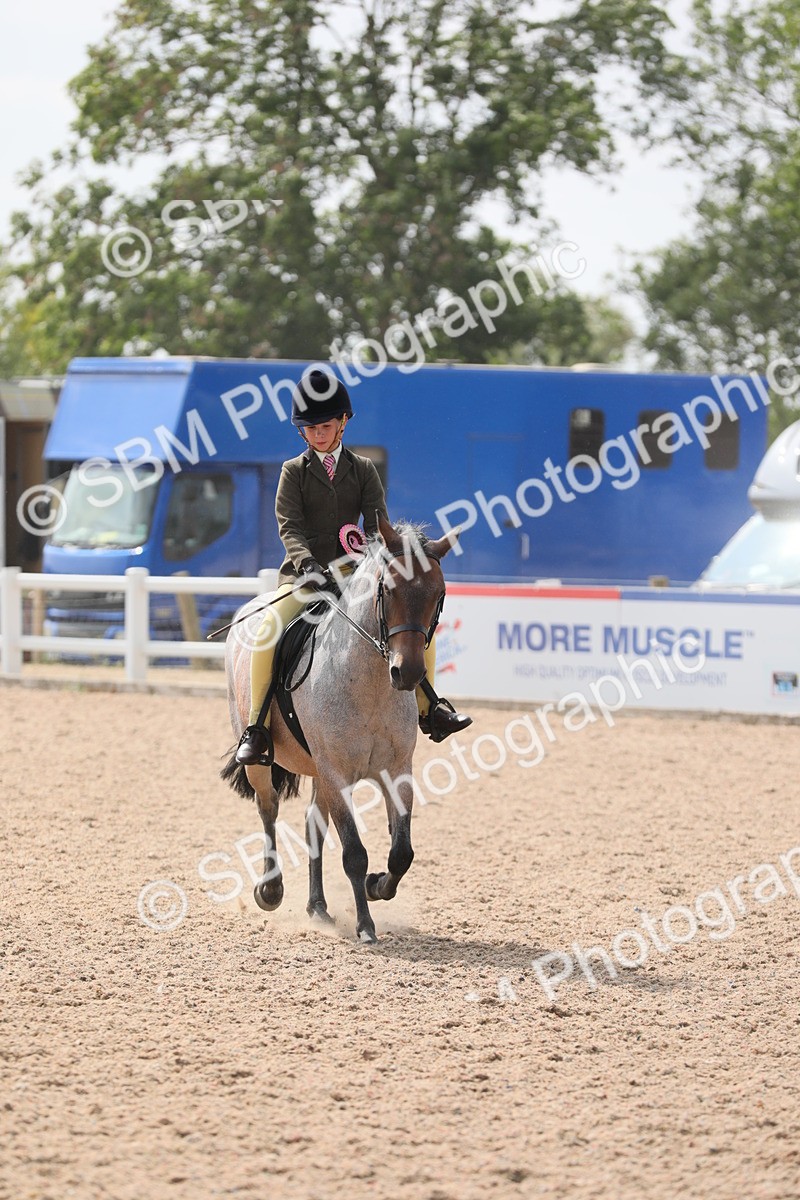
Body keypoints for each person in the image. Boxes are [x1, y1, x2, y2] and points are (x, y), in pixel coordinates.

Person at [235, 368, 472, 766]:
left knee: (411, 624)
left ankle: (430, 707)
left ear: (343, 422)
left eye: (325, 426)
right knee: (270, 629)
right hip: (306, 577)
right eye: (309, 429)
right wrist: (308, 563)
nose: (318, 435)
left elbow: (377, 525)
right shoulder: (293, 472)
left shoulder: (363, 470)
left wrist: (374, 563)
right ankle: (257, 727)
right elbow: (289, 526)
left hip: (356, 575)